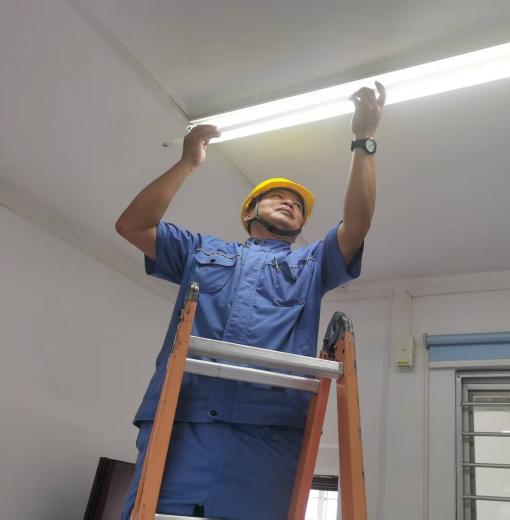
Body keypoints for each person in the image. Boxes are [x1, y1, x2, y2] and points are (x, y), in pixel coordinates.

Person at [115, 82, 386, 519]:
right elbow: (133, 225)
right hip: (182, 421)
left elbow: (356, 226)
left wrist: (364, 139)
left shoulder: (310, 264)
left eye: (298, 205)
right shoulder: (200, 250)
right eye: (278, 196)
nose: (290, 203)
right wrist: (187, 163)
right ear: (249, 211)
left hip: (268, 434)